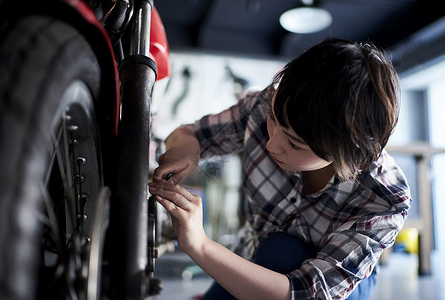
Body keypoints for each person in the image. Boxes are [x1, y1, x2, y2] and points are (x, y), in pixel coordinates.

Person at [148, 38, 412, 300]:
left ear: (346, 152)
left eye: (295, 143)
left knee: (281, 250)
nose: (272, 144)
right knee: (271, 252)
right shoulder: (264, 104)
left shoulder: (384, 197)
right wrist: (187, 150)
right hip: (258, 255)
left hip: (332, 287)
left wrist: (201, 246)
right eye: (273, 120)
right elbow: (191, 133)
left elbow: (310, 294)